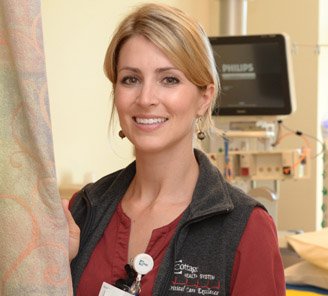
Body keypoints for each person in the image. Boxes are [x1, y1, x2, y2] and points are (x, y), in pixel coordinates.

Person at [61, 3, 285, 295]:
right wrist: (50, 269)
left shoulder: (246, 229)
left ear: (204, 97)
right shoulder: (85, 210)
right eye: (131, 79)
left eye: (169, 79)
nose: (146, 98)